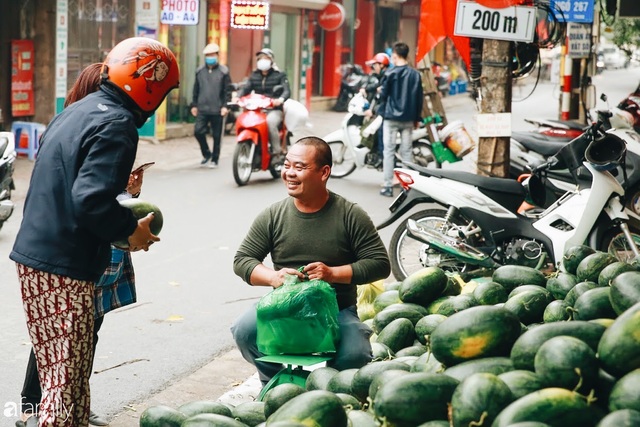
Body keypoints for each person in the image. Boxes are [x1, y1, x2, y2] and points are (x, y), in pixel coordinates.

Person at [10, 37, 179, 427]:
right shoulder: (117, 123)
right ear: (150, 86)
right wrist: (129, 231)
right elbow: (90, 200)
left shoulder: (77, 111)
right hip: (65, 267)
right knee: (65, 389)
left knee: (58, 378)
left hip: (34, 259)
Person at [231, 136, 391, 386]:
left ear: (324, 172)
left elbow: (380, 263)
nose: (289, 174)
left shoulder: (350, 215)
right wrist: (274, 277)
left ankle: (331, 392)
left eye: (299, 167)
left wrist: (332, 274)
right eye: (287, 165)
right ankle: (276, 386)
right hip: (283, 309)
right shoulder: (273, 215)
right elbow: (242, 260)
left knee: (355, 353)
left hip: (337, 312)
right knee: (244, 330)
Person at [377, 42, 424, 198]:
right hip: (408, 119)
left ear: (395, 56)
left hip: (391, 118)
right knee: (407, 153)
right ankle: (407, 188)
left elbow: (383, 96)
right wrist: (417, 118)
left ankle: (388, 187)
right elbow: (419, 99)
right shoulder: (415, 75)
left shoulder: (390, 74)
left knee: (389, 152)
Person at [237, 48, 291, 164]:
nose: (263, 61)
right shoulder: (254, 75)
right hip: (257, 109)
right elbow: (246, 88)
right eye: (260, 59)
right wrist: (237, 97)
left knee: (270, 123)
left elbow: (286, 91)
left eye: (266, 58)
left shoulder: (279, 75)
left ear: (271, 61)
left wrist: (280, 99)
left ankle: (277, 153)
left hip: (273, 109)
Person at [191, 42, 232, 169]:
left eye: (212, 54)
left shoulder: (223, 72)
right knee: (198, 131)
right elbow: (196, 89)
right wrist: (194, 105)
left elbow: (227, 91)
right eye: (207, 55)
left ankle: (215, 158)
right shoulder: (200, 71)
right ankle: (206, 153)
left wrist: (225, 106)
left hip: (217, 109)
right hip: (202, 108)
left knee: (216, 135)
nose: (210, 57)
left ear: (217, 55)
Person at [361, 52, 391, 169]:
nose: (373, 68)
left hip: (387, 113)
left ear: (382, 65)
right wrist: (365, 88)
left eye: (375, 65)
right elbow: (376, 85)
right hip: (386, 111)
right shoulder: (383, 76)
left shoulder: (387, 76)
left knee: (378, 132)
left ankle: (380, 158)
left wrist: (373, 112)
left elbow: (384, 98)